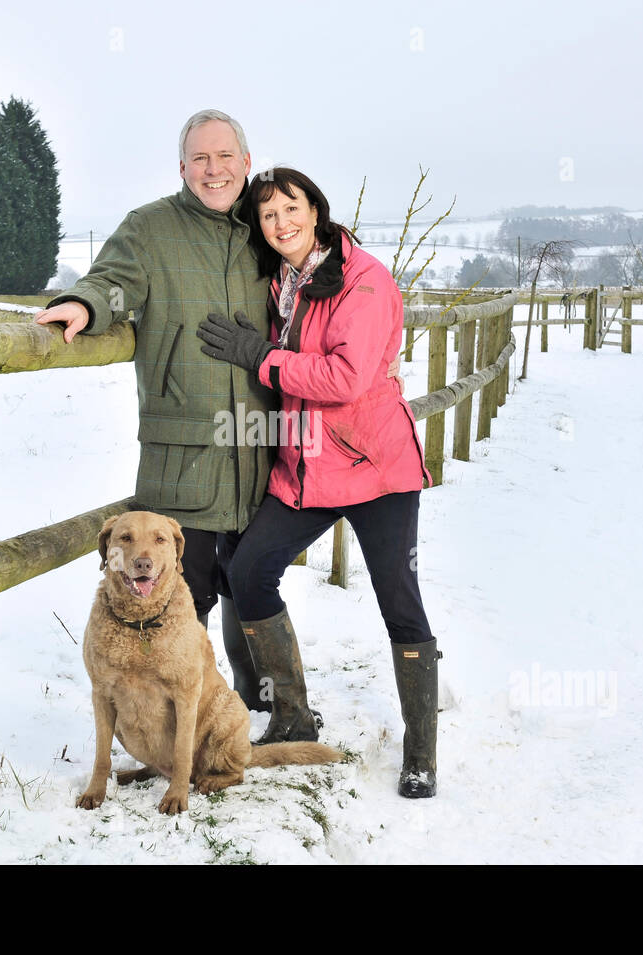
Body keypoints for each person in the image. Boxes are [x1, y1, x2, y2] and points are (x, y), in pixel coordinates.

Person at [196, 167, 440, 798]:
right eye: (268, 214)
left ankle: (420, 753)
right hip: (305, 467)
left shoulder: (364, 281)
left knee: (398, 598)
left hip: (375, 466)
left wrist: (261, 357)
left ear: (316, 208)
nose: (281, 223)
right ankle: (290, 714)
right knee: (248, 569)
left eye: (291, 208)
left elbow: (346, 378)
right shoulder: (280, 281)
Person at [33, 110, 276, 714]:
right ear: (183, 167)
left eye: (225, 157)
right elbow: (112, 281)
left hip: (258, 440)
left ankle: (257, 702)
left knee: (252, 580)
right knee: (178, 591)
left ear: (246, 162)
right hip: (181, 449)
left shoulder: (266, 227)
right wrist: (84, 306)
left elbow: (320, 278)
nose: (213, 170)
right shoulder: (151, 227)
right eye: (200, 158)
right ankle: (161, 716)